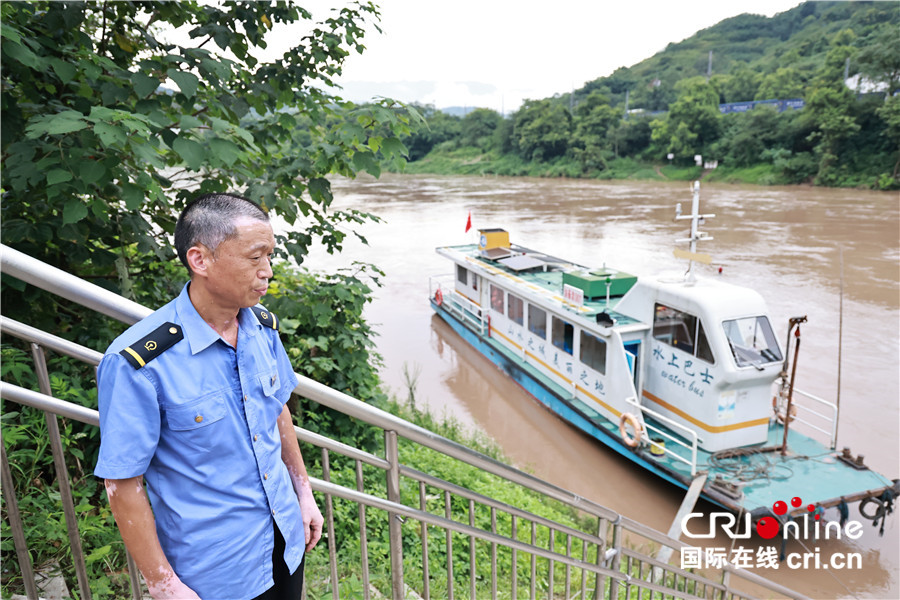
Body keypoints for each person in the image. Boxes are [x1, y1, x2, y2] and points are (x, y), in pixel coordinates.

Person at [94, 193, 324, 600]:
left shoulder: (261, 328)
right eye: (255, 258)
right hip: (214, 572)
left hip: (284, 540)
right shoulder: (140, 363)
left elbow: (277, 411)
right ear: (200, 260)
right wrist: (163, 585)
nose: (268, 271)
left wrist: (303, 493)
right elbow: (122, 482)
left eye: (269, 256)